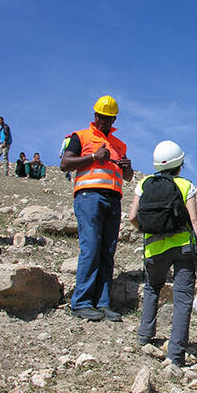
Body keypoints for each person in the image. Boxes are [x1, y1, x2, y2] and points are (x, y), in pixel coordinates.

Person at [128, 140, 197, 366]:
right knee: (182, 299)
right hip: (183, 248)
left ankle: (145, 335)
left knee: (152, 287)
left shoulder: (143, 184)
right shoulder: (185, 185)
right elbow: (193, 219)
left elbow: (132, 216)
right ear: (180, 163)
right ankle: (175, 355)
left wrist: (150, 230)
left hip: (154, 248)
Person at [60, 95, 133, 321]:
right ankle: (81, 302)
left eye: (109, 119)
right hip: (88, 196)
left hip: (113, 199)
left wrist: (128, 168)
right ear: (95, 116)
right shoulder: (80, 136)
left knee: (106, 252)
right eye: (101, 118)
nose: (104, 122)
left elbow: (128, 177)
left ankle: (102, 304)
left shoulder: (119, 145)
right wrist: (93, 156)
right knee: (91, 248)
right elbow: (65, 163)